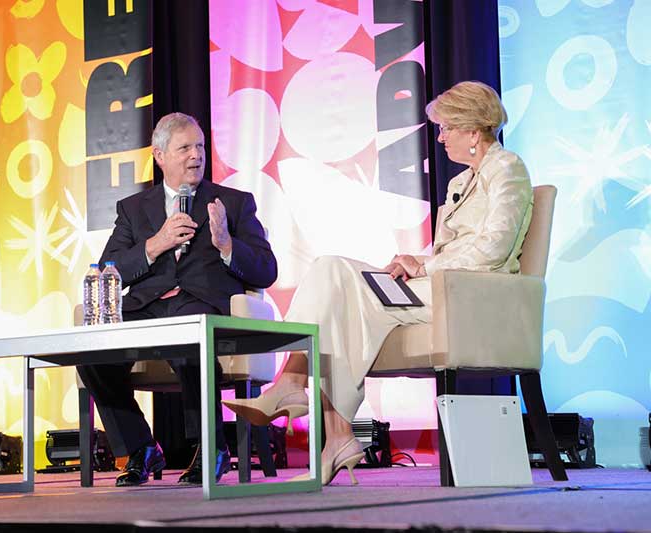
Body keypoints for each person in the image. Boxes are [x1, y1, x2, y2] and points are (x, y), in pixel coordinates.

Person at [223, 81, 534, 485]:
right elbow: (450, 254)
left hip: (474, 296)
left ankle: (295, 387)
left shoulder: (507, 168)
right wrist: (417, 261)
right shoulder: (461, 183)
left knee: (335, 277)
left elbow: (494, 247)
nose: (439, 137)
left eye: (446, 129)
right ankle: (335, 433)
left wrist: (425, 268)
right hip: (441, 288)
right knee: (331, 277)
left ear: (473, 132)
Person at [77, 112, 277, 486]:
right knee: (91, 352)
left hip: (201, 305)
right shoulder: (134, 209)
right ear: (160, 155)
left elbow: (267, 268)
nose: (195, 155)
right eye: (185, 147)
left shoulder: (232, 203)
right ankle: (139, 446)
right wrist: (156, 244)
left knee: (189, 338)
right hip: (147, 307)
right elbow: (108, 268)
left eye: (199, 146)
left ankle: (211, 446)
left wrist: (227, 245)